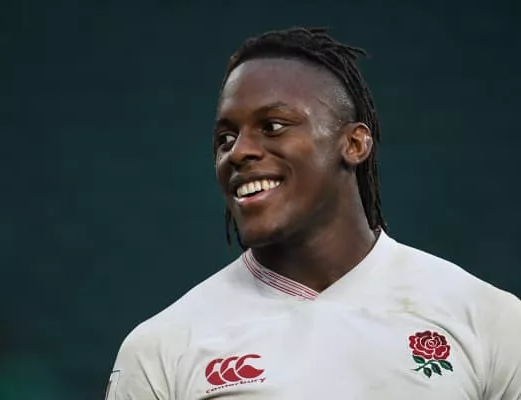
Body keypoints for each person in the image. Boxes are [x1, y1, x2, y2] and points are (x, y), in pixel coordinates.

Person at [106, 27, 521, 399]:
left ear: (354, 144)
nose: (239, 152)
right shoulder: (162, 349)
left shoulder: (490, 321)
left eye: (273, 126)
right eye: (226, 138)